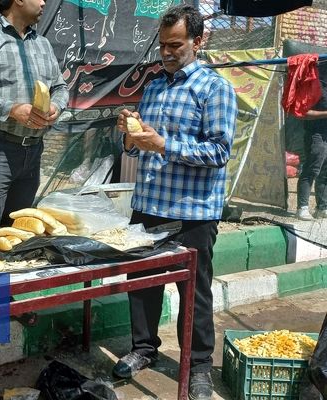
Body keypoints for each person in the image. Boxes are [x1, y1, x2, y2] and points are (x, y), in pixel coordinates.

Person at [114, 5, 237, 400]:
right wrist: (131, 137)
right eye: (163, 45)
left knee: (195, 292)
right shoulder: (153, 87)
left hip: (193, 210)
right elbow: (137, 152)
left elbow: (219, 151)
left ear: (197, 42)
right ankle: (143, 349)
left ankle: (198, 365)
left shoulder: (214, 88)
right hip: (150, 202)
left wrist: (164, 144)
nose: (166, 52)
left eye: (175, 45)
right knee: (141, 283)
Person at [0, 0, 69, 230]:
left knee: (19, 229)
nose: (44, 2)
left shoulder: (43, 44)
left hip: (34, 150)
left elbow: (61, 87)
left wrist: (56, 106)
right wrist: (11, 109)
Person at [295, 63, 327, 221]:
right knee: (312, 168)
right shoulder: (316, 81)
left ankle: (322, 207)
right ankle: (302, 208)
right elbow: (303, 112)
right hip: (315, 133)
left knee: (325, 171)